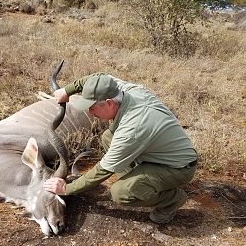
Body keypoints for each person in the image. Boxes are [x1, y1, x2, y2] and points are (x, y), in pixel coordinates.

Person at [43, 73, 197, 223]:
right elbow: (97, 78)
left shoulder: (132, 129)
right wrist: (67, 90)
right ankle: (140, 182)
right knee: (108, 137)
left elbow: (103, 170)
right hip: (160, 153)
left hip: (178, 168)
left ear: (109, 103)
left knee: (120, 192)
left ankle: (172, 199)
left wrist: (67, 189)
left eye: (92, 107)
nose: (90, 112)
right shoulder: (123, 90)